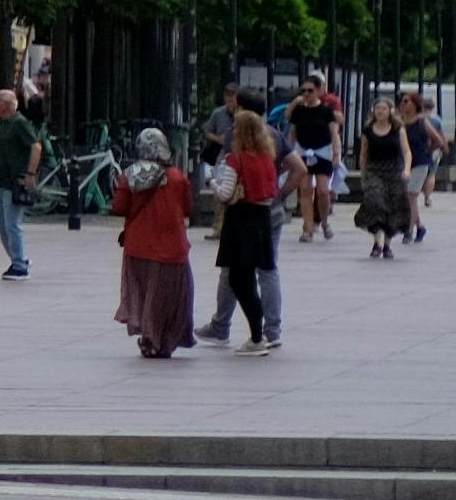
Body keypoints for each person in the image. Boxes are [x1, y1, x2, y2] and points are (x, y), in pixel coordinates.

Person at [205, 111, 283, 351]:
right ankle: (262, 333)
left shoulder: (235, 160)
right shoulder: (267, 158)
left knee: (240, 280)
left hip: (240, 220)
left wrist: (212, 182)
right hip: (261, 218)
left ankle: (257, 337)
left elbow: (226, 193)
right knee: (252, 276)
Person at [114, 128, 196, 358]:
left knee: (146, 295)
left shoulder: (129, 175)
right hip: (172, 246)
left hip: (138, 245)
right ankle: (163, 339)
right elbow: (188, 207)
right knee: (169, 296)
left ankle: (150, 338)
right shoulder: (177, 177)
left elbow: (119, 207)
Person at [0, 90, 39, 280]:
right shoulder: (4, 124)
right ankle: (18, 257)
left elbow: (35, 147)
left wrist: (30, 173)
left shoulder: (19, 123)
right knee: (0, 223)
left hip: (13, 181)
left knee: (12, 223)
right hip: (0, 180)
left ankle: (19, 264)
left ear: (5, 104)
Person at [285, 77, 341, 243]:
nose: (306, 94)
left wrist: (336, 153)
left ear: (318, 91)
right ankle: (307, 227)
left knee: (323, 190)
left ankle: (323, 222)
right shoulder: (299, 110)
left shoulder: (326, 111)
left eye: (310, 90)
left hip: (322, 152)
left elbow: (334, 134)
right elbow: (291, 128)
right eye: (303, 91)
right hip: (303, 151)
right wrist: (288, 151)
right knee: (305, 189)